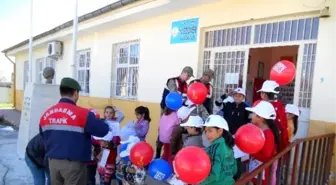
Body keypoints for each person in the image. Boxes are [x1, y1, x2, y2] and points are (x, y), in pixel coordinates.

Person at [39, 77, 109, 185]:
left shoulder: (46, 114)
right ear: (75, 93)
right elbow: (103, 130)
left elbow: (43, 136)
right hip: (74, 166)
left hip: (53, 163)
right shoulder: (83, 114)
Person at [245, 101, 280, 185]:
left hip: (262, 175)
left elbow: (266, 157)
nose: (251, 115)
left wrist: (250, 152)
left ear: (260, 117)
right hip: (256, 170)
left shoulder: (268, 134)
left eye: (253, 113)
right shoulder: (258, 129)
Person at [201, 115, 237, 185]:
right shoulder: (228, 146)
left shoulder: (215, 148)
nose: (207, 134)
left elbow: (214, 174)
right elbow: (234, 170)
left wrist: (200, 182)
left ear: (220, 131)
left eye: (210, 131)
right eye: (206, 131)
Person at [258, 80, 289, 152]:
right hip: (268, 137)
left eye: (264, 93)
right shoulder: (276, 105)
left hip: (270, 138)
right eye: (262, 93)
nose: (262, 95)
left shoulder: (273, 106)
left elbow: (280, 125)